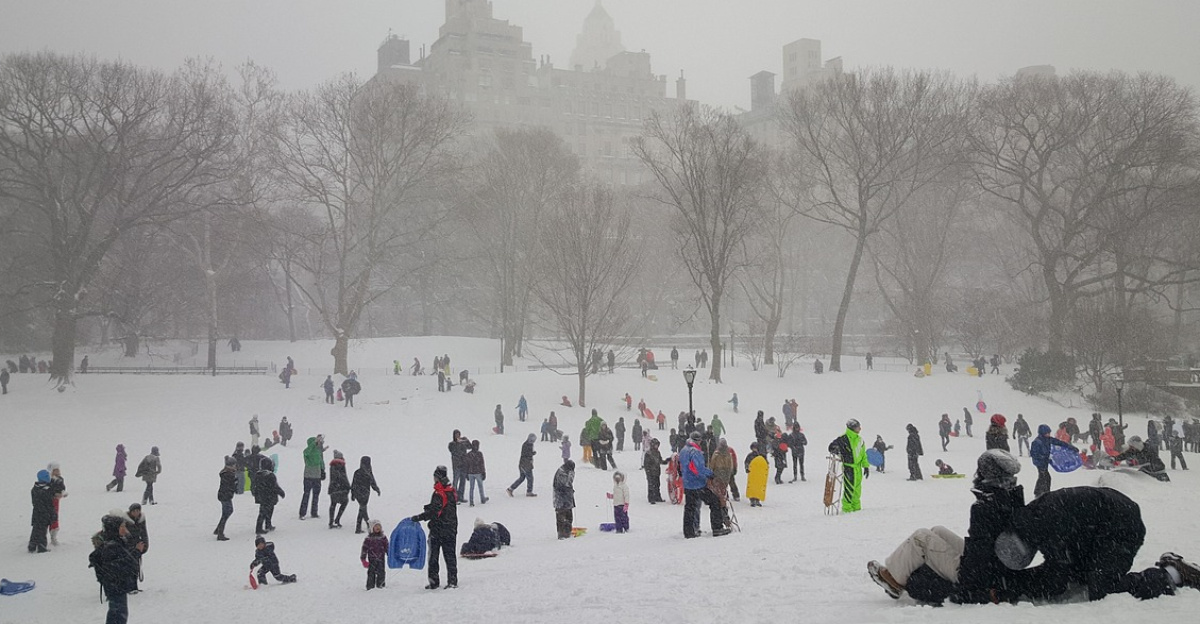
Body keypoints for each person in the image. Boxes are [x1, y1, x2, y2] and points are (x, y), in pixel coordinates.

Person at [866, 450, 1026, 605]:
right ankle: (909, 571)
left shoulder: (985, 506)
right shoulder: (1010, 495)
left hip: (977, 574)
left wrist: (968, 574)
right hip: (995, 566)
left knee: (920, 537)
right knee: (938, 530)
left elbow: (981, 549)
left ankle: (894, 580)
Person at [1006, 486, 1200, 601]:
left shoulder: (1043, 528)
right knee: (1078, 574)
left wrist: (1012, 587)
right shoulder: (1029, 518)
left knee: (1102, 587)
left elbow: (1055, 579)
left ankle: (1173, 574)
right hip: (1102, 523)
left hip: (1122, 529)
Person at [90, 511, 143, 623]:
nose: (125, 529)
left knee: (116, 613)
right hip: (115, 585)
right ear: (115, 529)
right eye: (122, 526)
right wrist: (136, 552)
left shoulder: (116, 542)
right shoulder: (112, 546)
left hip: (116, 585)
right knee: (118, 614)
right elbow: (117, 566)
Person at [410, 466, 458, 589]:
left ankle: (434, 581)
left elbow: (435, 512)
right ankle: (452, 580)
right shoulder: (450, 490)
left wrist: (419, 517)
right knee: (450, 556)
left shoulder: (440, 493)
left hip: (438, 529)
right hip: (451, 528)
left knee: (433, 557)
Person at [680, 432, 729, 538]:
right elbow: (698, 469)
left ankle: (689, 531)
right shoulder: (695, 452)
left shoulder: (684, 450)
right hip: (697, 484)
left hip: (688, 484)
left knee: (690, 508)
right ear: (698, 440)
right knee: (715, 502)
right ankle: (717, 527)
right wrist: (710, 474)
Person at [829, 419, 870, 513]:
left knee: (857, 490)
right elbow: (831, 447)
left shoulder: (860, 440)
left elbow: (863, 454)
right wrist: (838, 451)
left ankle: (857, 509)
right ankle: (847, 509)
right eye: (858, 427)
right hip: (849, 468)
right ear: (852, 428)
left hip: (858, 468)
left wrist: (866, 466)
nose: (860, 429)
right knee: (849, 490)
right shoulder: (843, 439)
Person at [1030, 424, 1078, 497]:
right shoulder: (1037, 442)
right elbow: (1034, 453)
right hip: (1039, 462)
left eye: (1049, 433)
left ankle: (1039, 491)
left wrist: (1071, 447)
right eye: (1047, 433)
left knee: (1043, 476)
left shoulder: (1048, 439)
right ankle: (1044, 492)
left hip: (1045, 461)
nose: (1049, 434)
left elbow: (1059, 442)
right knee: (1045, 477)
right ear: (1042, 433)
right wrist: (1044, 457)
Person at [253, 457, 284, 534]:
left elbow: (255, 487)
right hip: (270, 497)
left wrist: (256, 495)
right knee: (266, 512)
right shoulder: (271, 476)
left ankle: (266, 525)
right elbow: (274, 487)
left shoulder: (258, 475)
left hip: (262, 497)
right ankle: (260, 527)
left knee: (263, 512)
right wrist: (281, 492)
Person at [351, 456, 381, 533]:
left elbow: (353, 484)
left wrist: (353, 494)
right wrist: (376, 489)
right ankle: (363, 526)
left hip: (358, 493)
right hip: (365, 493)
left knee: (362, 509)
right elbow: (372, 482)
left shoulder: (357, 472)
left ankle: (366, 525)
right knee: (362, 509)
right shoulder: (368, 472)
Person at [300, 435, 326, 520]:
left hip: (317, 476)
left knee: (316, 495)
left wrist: (323, 470)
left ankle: (314, 512)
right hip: (308, 476)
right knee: (306, 494)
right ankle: (302, 513)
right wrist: (314, 443)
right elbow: (306, 452)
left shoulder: (318, 451)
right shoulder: (307, 451)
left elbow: (321, 461)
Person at [29, 470, 54, 553]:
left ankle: (32, 545)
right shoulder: (46, 490)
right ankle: (41, 546)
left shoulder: (35, 488)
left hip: (36, 513)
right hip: (44, 514)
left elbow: (35, 502)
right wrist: (52, 514)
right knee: (42, 530)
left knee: (35, 529)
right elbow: (49, 504)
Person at [361, 519, 388, 590]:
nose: (378, 527)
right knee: (371, 573)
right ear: (372, 528)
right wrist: (363, 559)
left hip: (381, 558)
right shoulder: (368, 539)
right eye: (376, 526)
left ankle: (381, 585)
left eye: (379, 526)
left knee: (381, 572)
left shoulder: (383, 537)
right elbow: (364, 549)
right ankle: (370, 586)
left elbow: (387, 546)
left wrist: (389, 554)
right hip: (372, 559)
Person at [553, 460, 577, 539]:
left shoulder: (566, 471)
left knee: (569, 516)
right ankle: (562, 534)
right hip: (561, 500)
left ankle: (567, 532)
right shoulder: (561, 473)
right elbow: (565, 485)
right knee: (562, 517)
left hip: (567, 499)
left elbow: (568, 485)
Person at [327, 450, 350, 529]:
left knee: (333, 504)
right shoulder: (341, 464)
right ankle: (337, 519)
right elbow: (343, 477)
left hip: (333, 488)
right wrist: (347, 486)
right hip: (342, 488)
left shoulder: (332, 465)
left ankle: (331, 521)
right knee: (344, 502)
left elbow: (333, 477)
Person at [215, 456, 236, 541]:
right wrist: (234, 483)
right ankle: (220, 532)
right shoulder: (228, 475)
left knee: (227, 512)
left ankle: (219, 529)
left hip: (224, 495)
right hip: (225, 496)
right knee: (227, 512)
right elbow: (230, 485)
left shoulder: (227, 473)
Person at [643, 438, 668, 504]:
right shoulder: (648, 453)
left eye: (657, 445)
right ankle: (651, 498)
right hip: (650, 472)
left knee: (657, 485)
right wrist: (648, 472)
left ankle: (657, 497)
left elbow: (660, 461)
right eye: (655, 445)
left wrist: (666, 461)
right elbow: (646, 464)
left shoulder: (658, 452)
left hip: (657, 472)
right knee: (651, 485)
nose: (656, 446)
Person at [744, 442, 769, 507]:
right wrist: (747, 468)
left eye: (755, 448)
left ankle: (757, 499)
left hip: (759, 474)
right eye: (753, 448)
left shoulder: (761, 456)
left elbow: (765, 464)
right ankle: (752, 499)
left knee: (758, 487)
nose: (754, 449)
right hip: (752, 474)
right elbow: (747, 462)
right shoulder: (750, 455)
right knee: (752, 486)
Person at [465, 439, 488, 506]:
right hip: (478, 472)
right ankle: (482, 499)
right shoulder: (479, 454)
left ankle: (471, 501)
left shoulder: (468, 454)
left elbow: (467, 464)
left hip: (470, 472)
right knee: (480, 486)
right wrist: (483, 472)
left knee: (471, 488)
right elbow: (482, 463)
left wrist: (466, 473)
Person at [448, 430, 470, 494]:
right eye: (456, 435)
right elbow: (454, 452)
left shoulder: (463, 442)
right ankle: (454, 496)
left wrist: (466, 441)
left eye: (458, 434)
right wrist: (458, 443)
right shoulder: (451, 444)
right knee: (455, 482)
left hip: (464, 465)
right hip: (456, 466)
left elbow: (470, 447)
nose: (457, 436)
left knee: (463, 482)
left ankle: (461, 496)